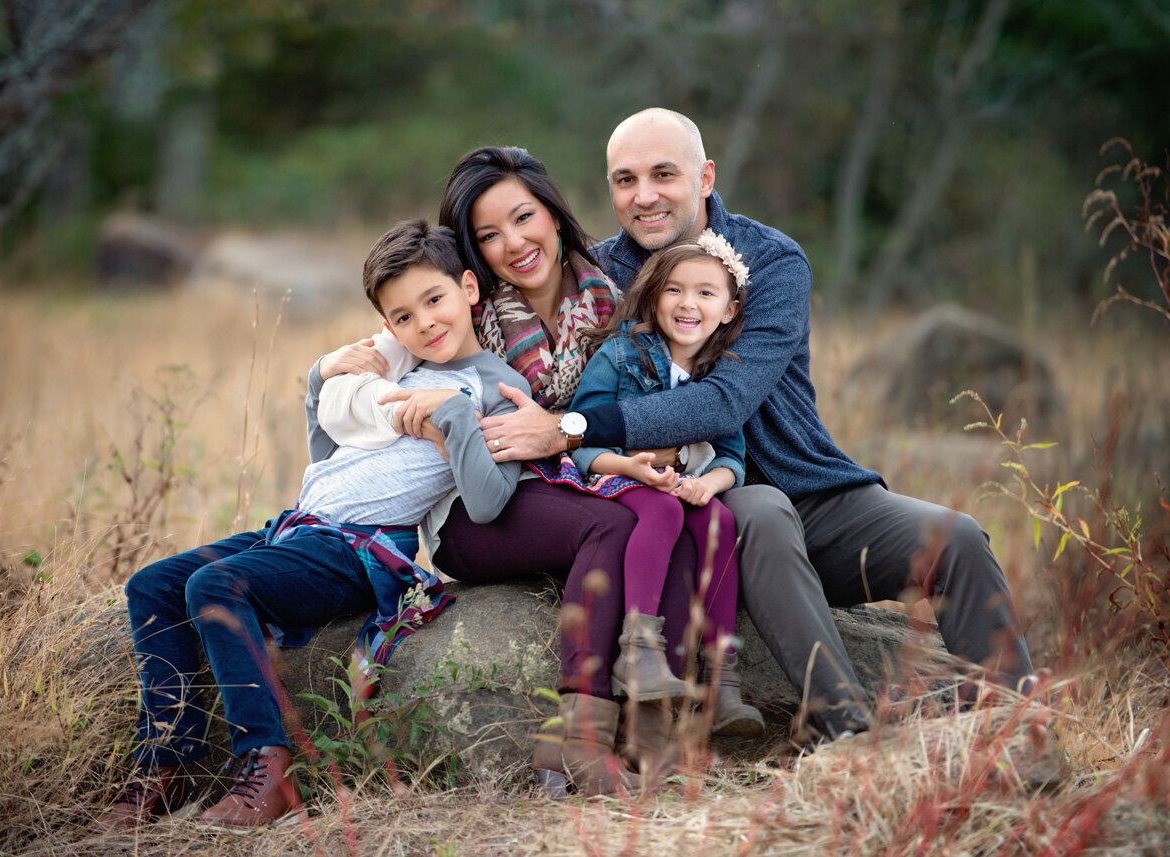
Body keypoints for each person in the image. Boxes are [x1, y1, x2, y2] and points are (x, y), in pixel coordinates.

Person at [480, 108, 1036, 740]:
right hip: (704, 507)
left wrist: (570, 427)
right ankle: (853, 737)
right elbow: (459, 299)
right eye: (624, 179)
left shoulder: (770, 262)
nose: (644, 196)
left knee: (955, 538)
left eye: (664, 174)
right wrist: (369, 357)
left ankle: (1020, 733)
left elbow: (723, 403)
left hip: (812, 493)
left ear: (706, 176)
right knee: (763, 509)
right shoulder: (601, 276)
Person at [90, 219, 526, 833]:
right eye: (402, 316)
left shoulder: (494, 386)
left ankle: (266, 764)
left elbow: (489, 502)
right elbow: (328, 455)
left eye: (434, 300)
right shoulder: (394, 369)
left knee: (216, 588)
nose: (424, 323)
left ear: (469, 289)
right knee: (152, 585)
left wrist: (454, 417)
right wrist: (320, 382)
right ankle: (165, 760)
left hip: (362, 551)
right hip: (296, 530)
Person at [320, 147, 652, 797]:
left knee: (633, 517)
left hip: (537, 485)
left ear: (555, 214)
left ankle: (643, 721)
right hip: (467, 517)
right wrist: (332, 368)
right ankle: (579, 738)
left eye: (523, 218)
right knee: (607, 525)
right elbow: (371, 363)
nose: (512, 244)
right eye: (488, 235)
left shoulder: (605, 306)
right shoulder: (434, 327)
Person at [557, 232, 763, 738]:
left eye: (706, 293)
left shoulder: (721, 375)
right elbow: (578, 438)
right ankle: (638, 650)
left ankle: (721, 681)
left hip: (680, 485)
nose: (688, 303)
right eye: (674, 290)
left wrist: (709, 484)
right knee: (665, 512)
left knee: (718, 520)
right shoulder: (621, 354)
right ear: (653, 297)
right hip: (616, 479)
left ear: (730, 310)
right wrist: (630, 467)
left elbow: (733, 456)